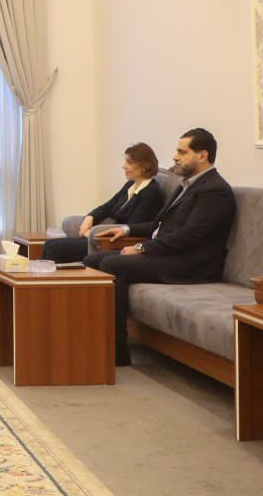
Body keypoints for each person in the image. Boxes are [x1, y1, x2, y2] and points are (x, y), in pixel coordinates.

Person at [85, 128, 236, 366]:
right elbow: (158, 225)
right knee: (92, 261)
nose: (175, 157)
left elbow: (190, 236)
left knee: (113, 264)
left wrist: (143, 249)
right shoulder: (187, 185)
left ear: (202, 155)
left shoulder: (214, 190)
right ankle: (92, 337)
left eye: (182, 152)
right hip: (169, 255)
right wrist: (128, 230)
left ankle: (116, 350)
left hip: (191, 264)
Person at [41, 142, 165, 264]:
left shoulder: (151, 192)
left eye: (129, 163)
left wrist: (95, 234)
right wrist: (90, 217)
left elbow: (133, 227)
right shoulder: (131, 184)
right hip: (104, 239)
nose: (123, 166)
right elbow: (108, 206)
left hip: (116, 242)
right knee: (49, 244)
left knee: (55, 248)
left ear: (145, 166)